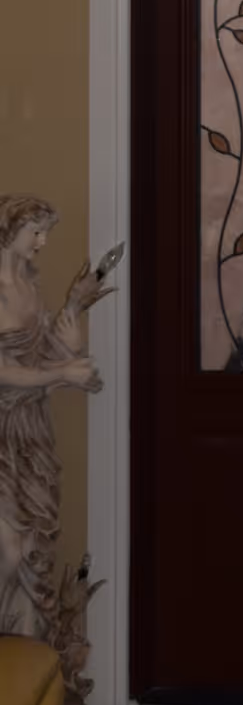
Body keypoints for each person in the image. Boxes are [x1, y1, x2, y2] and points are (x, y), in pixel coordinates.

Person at [0, 196, 107, 644]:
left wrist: (73, 311)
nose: (43, 242)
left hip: (33, 428)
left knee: (33, 548)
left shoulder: (29, 283)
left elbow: (40, 358)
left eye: (46, 232)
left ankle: (26, 651)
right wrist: (63, 373)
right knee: (9, 550)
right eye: (36, 232)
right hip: (3, 433)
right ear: (9, 230)